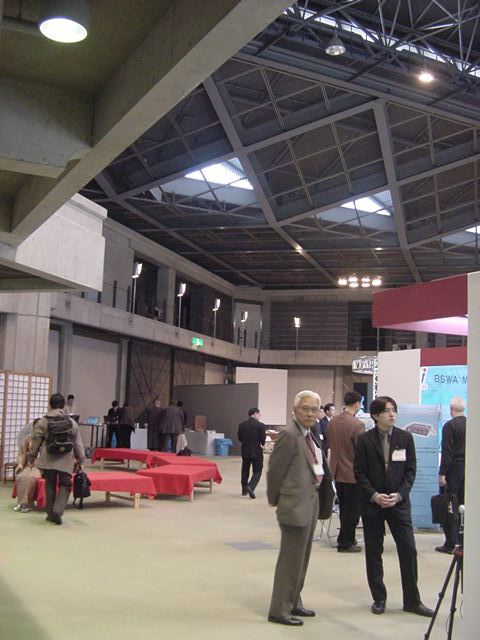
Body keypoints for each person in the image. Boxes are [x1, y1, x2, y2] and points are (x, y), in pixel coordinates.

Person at [354, 396, 433, 617]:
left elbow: (411, 470)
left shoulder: (405, 437)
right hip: (373, 504)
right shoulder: (365, 440)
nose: (392, 414)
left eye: (394, 410)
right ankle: (379, 598)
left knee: (408, 549)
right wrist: (374, 495)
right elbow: (359, 472)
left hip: (399, 504)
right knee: (374, 552)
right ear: (375, 415)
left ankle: (412, 601)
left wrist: (399, 495)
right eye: (387, 411)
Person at [267, 390, 328, 627]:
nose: (310, 413)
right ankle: (279, 609)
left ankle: (293, 601)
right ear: (294, 410)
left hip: (310, 504)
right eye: (305, 408)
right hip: (293, 506)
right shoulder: (289, 435)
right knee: (290, 561)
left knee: (302, 560)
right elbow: (275, 471)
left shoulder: (309, 434)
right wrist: (277, 500)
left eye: (314, 409)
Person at [28, 393, 85, 525]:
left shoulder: (43, 422)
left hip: (48, 459)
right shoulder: (71, 423)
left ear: (50, 405)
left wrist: (31, 458)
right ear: (63, 405)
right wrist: (81, 461)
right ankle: (58, 510)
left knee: (50, 485)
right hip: (66, 460)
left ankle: (50, 514)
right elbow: (78, 444)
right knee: (66, 484)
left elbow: (35, 442)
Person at [328, 391, 364, 552]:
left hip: (336, 471)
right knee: (353, 510)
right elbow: (361, 450)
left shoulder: (333, 421)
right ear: (357, 403)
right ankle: (345, 542)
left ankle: (348, 538)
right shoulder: (357, 425)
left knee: (344, 508)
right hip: (352, 473)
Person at [436, 396, 466, 553]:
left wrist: (442, 474)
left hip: (453, 470)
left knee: (450, 505)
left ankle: (450, 543)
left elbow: (447, 452)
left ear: (451, 409)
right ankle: (463, 540)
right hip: (467, 470)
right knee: (463, 505)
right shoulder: (471, 424)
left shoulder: (449, 426)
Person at [237, 407, 266, 499]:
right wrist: (262, 443)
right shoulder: (261, 425)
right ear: (255, 414)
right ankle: (251, 486)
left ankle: (244, 489)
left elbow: (240, 438)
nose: (259, 416)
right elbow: (263, 439)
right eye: (259, 414)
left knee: (245, 470)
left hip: (245, 450)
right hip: (257, 451)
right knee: (257, 471)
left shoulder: (242, 425)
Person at [13, 432, 41, 512]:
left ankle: (25, 504)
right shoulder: (28, 438)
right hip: (26, 466)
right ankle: (21, 503)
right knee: (21, 476)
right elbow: (21, 454)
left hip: (38, 468)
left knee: (29, 478)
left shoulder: (45, 439)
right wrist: (21, 463)